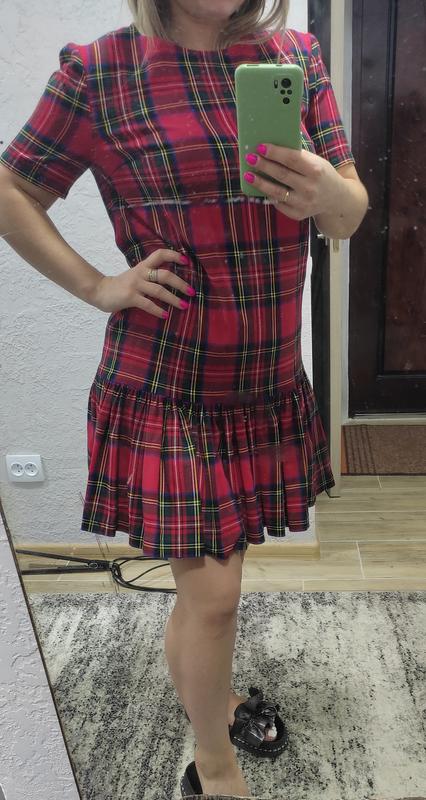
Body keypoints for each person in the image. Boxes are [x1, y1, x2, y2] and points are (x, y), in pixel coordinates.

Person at [0, 0, 368, 796]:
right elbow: (11, 190)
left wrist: (320, 193)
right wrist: (97, 285)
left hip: (265, 382)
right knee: (217, 598)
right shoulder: (99, 72)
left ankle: (217, 698)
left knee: (206, 600)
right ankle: (213, 766)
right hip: (168, 384)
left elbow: (351, 209)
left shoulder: (294, 57)